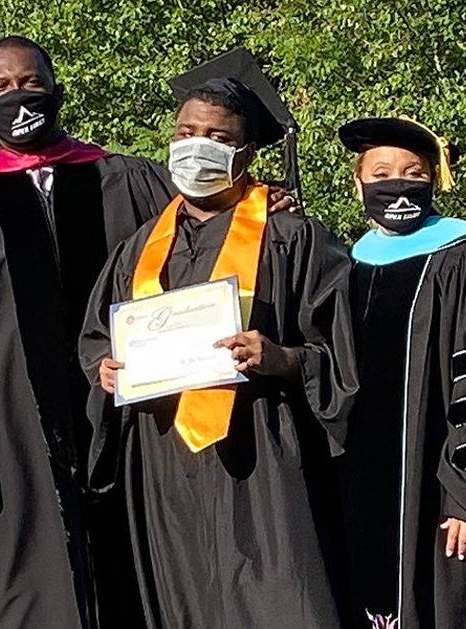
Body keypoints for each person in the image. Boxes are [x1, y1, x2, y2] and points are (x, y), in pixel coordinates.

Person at [0, 37, 298, 629]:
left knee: (143, 588)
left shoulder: (131, 181)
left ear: (57, 90)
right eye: (1, 88)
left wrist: (258, 200)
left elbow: (211, 224)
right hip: (17, 450)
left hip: (135, 434)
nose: (18, 97)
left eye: (31, 83)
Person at [79, 48, 358, 629]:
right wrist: (104, 370)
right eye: (185, 131)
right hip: (163, 467)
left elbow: (346, 358)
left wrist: (282, 359)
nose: (195, 145)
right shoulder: (136, 249)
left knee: (284, 604)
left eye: (215, 136)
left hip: (263, 459)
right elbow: (96, 339)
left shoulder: (294, 238)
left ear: (245, 153)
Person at [336, 116, 466, 629]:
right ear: (358, 182)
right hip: (369, 495)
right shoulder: (352, 262)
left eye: (413, 171)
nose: (397, 182)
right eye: (381, 170)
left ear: (434, 179)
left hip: (446, 502)